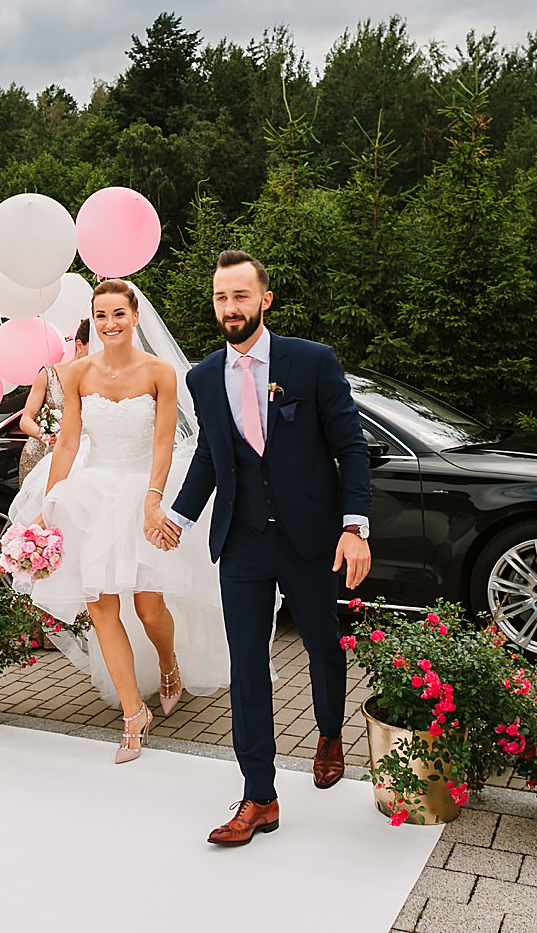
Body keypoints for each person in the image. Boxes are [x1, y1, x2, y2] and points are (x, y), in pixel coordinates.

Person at [151, 250, 373, 847]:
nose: (230, 308)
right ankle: (259, 795)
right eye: (222, 298)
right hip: (242, 538)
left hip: (310, 537)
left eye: (240, 296)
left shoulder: (311, 362)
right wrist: (179, 514)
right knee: (246, 665)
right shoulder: (202, 377)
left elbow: (351, 448)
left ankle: (329, 731)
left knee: (324, 641)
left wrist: (355, 528)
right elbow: (211, 456)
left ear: (264, 299)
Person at [8, 281, 229, 764]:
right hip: (91, 494)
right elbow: (66, 445)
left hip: (142, 493)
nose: (110, 324)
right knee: (102, 607)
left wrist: (154, 500)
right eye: (101, 315)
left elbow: (165, 443)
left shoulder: (160, 372)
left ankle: (169, 665)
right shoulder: (77, 374)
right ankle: (134, 714)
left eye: (118, 314)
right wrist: (49, 507)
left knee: (150, 610)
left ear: (134, 317)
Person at [17, 319, 89, 485]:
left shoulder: (101, 381)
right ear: (79, 345)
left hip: (79, 459)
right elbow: (26, 419)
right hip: (41, 455)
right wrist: (45, 435)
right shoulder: (49, 374)